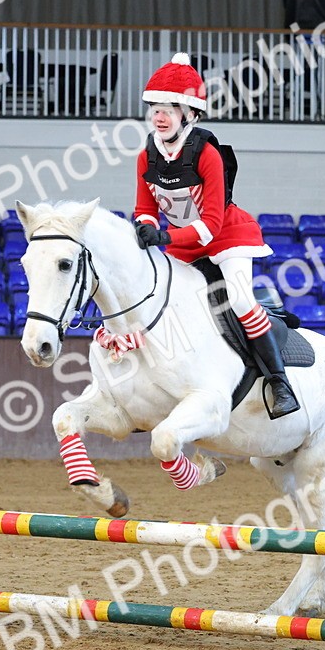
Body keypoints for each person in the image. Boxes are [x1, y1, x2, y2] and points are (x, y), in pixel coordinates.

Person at [131, 52, 300, 420]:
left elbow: (211, 224)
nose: (159, 116)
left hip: (227, 237)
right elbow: (145, 206)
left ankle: (279, 381)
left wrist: (163, 238)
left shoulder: (208, 154)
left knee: (239, 299)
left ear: (190, 114)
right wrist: (145, 225)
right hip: (180, 242)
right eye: (155, 108)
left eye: (170, 108)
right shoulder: (147, 155)